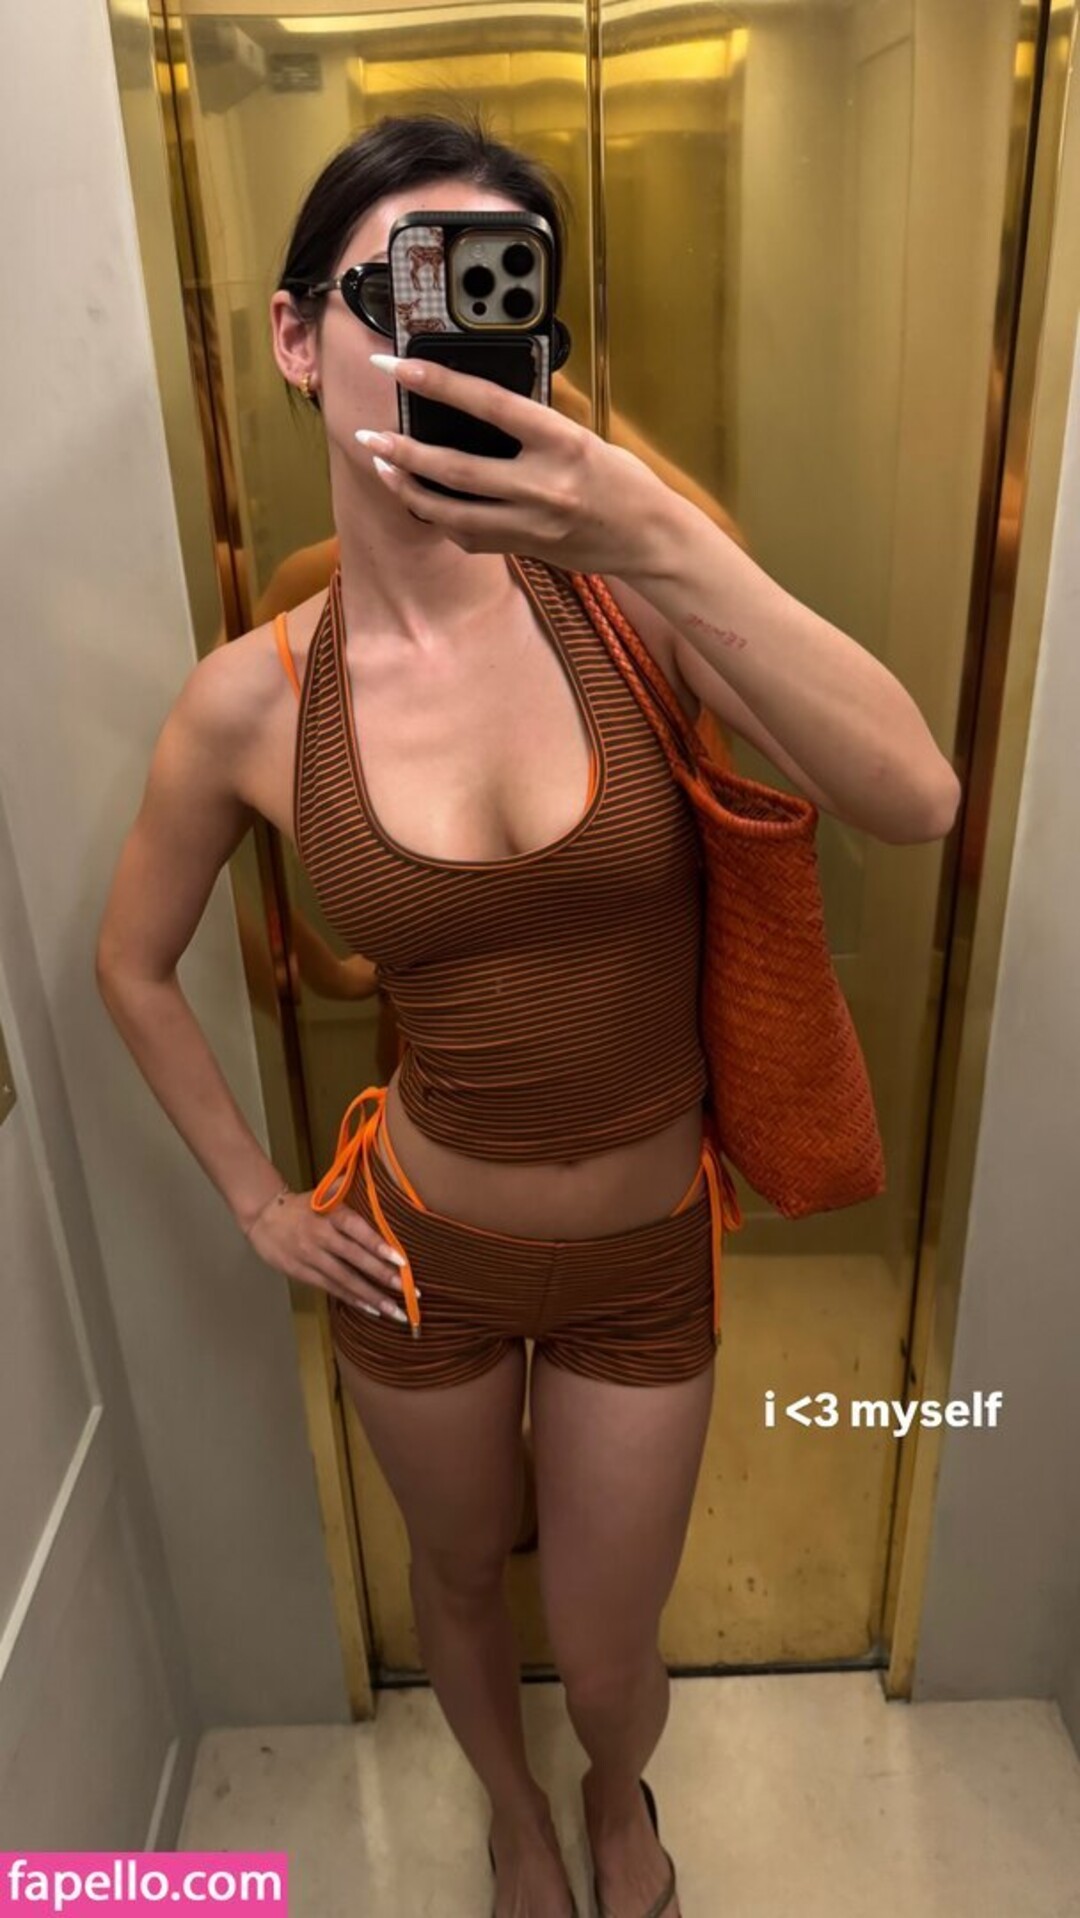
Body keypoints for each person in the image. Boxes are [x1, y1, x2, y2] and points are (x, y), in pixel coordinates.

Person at [95, 109, 960, 1918]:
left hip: (646, 1259)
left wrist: (651, 525)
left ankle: (614, 1788)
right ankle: (513, 1813)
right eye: (392, 292)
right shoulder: (251, 705)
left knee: (613, 1640)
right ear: (294, 336)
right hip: (419, 1256)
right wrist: (262, 1203)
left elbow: (915, 793)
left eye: (486, 298)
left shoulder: (627, 604)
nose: (435, 341)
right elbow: (132, 960)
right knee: (459, 1584)